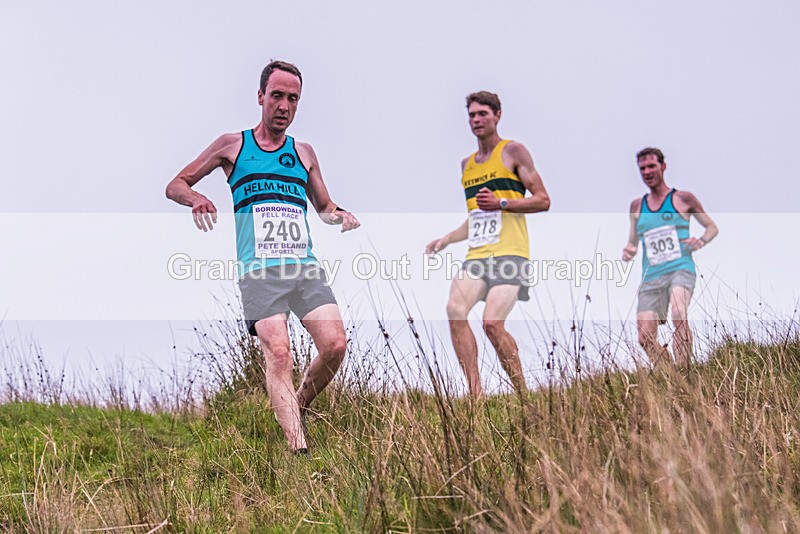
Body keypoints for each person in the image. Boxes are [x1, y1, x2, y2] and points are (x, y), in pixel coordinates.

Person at [166, 60, 360, 454]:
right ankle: (298, 450)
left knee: (336, 345)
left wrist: (341, 215)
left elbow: (323, 205)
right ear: (260, 97)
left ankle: (297, 405)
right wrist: (197, 197)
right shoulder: (232, 145)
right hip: (259, 272)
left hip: (304, 269)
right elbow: (176, 184)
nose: (284, 106)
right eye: (277, 96)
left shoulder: (303, 153)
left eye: (293, 99)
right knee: (280, 351)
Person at [425, 91, 550, 397]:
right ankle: (475, 393)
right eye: (472, 115)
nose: (476, 120)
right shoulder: (467, 165)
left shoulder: (514, 152)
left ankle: (522, 393)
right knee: (454, 309)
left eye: (483, 114)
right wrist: (447, 238)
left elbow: (543, 200)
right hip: (477, 255)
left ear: (497, 115)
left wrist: (502, 202)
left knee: (492, 324)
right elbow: (476, 217)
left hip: (511, 254)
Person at [622, 147, 718, 366]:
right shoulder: (637, 206)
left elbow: (712, 227)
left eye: (652, 166)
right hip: (651, 276)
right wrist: (629, 250)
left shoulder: (683, 198)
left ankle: (685, 369)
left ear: (663, 167)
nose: (647, 172)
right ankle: (672, 378)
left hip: (680, 268)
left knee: (678, 311)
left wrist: (700, 241)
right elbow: (633, 241)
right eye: (642, 168)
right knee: (644, 338)